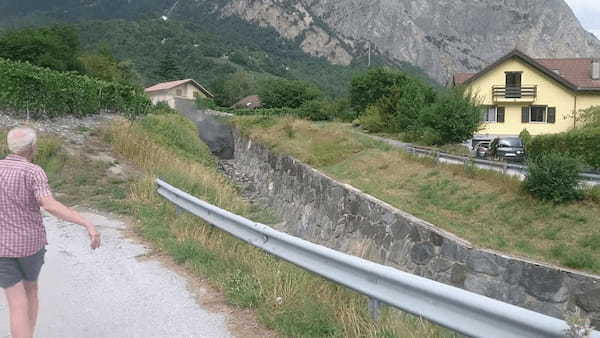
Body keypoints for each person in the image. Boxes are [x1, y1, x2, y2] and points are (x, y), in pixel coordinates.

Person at [0, 127, 101, 338]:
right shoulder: (33, 171)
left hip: (1, 248)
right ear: (32, 148)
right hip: (30, 246)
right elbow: (49, 205)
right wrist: (86, 223)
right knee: (31, 292)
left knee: (16, 303)